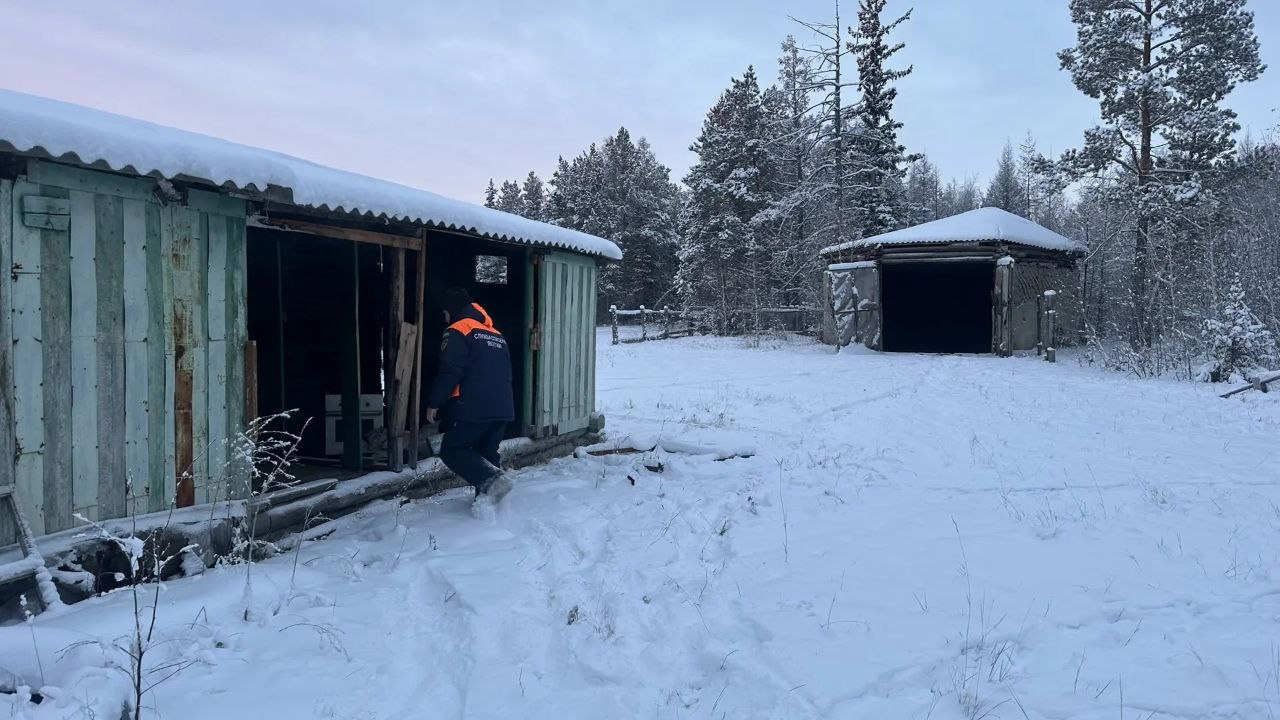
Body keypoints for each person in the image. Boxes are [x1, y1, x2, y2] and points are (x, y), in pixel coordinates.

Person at [426, 287, 515, 502]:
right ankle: (490, 507)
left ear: (452, 309)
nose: (443, 317)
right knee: (486, 454)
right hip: (502, 408)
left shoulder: (459, 329)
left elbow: (450, 370)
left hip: (474, 407)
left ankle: (493, 481)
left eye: (444, 311)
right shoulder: (496, 335)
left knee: (452, 450)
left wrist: (434, 402)